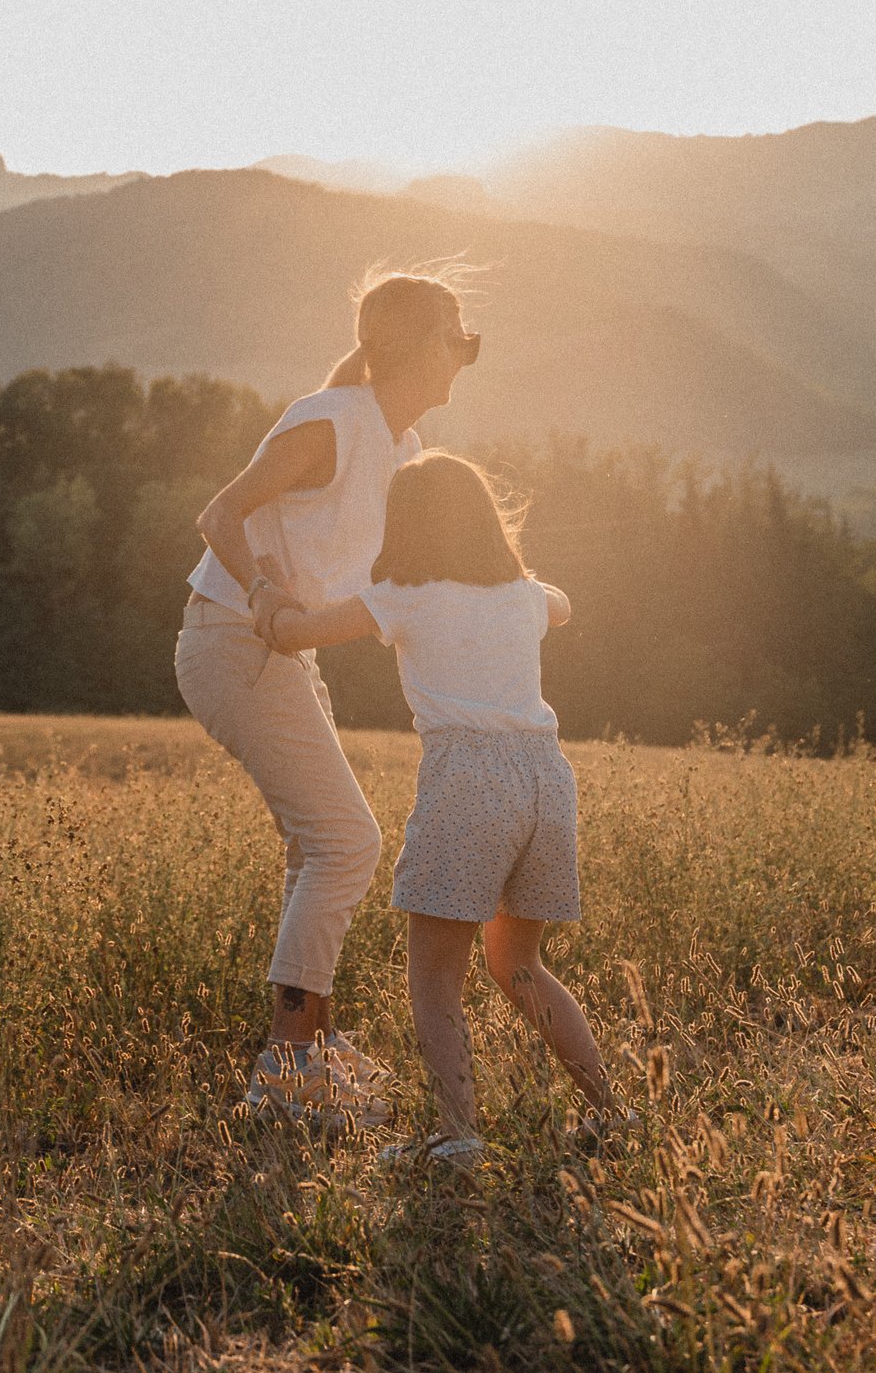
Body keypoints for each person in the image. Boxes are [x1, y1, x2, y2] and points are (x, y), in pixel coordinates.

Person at [257, 450, 621, 1168]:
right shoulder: (522, 595)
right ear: (487, 521)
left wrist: (267, 597)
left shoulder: (404, 593)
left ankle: (459, 1135)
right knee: (519, 963)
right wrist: (519, 581)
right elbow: (564, 602)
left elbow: (296, 633)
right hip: (545, 777)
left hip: (468, 780)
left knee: (434, 975)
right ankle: (611, 1110)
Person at [178, 270, 479, 1129]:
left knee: (318, 849)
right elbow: (221, 512)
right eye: (456, 337)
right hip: (231, 641)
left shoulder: (406, 447)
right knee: (349, 840)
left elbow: (409, 575)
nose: (462, 356)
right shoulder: (332, 422)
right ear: (421, 346)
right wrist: (270, 594)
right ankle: (288, 1066)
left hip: (278, 654)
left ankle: (309, 1047)